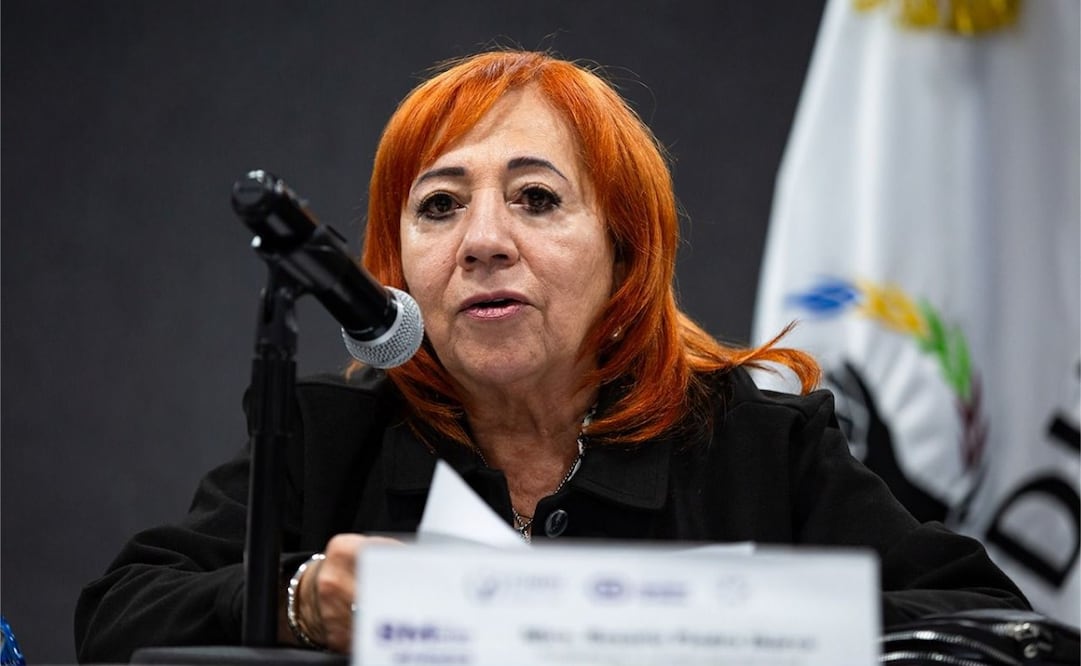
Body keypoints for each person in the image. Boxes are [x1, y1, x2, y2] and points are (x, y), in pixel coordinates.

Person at [74, 50, 1028, 661]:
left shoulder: (758, 444)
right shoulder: (332, 433)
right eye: (439, 206)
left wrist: (748, 625)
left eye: (536, 199)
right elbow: (117, 616)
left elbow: (995, 628)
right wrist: (299, 600)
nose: (483, 241)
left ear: (624, 250)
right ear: (395, 262)